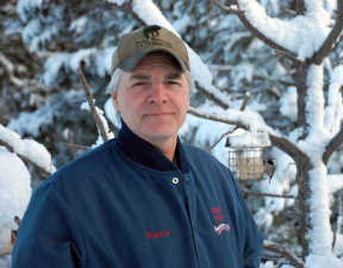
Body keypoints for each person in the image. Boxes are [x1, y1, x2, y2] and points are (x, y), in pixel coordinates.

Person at [11, 25, 263, 268]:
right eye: (140, 82)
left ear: (188, 95)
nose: (158, 95)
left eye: (172, 81)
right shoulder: (64, 198)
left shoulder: (217, 178)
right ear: (116, 99)